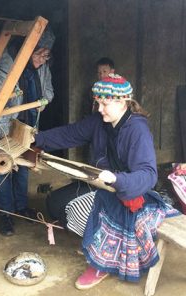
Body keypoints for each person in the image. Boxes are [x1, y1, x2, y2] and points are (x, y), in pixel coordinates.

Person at [34, 73, 180, 289]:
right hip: (102, 185)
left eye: (104, 103)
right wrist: (36, 139)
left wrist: (117, 179)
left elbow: (149, 174)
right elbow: (70, 133)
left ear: (122, 103)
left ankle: (104, 261)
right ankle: (94, 242)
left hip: (129, 193)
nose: (99, 108)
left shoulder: (137, 130)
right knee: (55, 203)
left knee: (77, 210)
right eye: (98, 103)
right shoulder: (98, 122)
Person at [0, 27, 55, 236]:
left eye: (46, 55)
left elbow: (48, 91)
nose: (42, 60)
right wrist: (1, 131)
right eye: (39, 54)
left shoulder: (41, 67)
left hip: (25, 127)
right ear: (26, 48)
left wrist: (43, 102)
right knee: (2, 169)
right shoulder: (4, 66)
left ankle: (21, 208)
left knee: (22, 167)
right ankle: (6, 214)